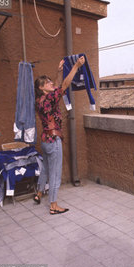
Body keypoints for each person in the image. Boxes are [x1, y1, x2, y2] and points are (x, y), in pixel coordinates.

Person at [33, 56, 85, 215]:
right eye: (47, 82)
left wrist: (58, 72)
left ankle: (39, 193)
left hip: (45, 140)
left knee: (46, 169)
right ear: (43, 88)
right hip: (53, 140)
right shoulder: (49, 97)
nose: (51, 83)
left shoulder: (40, 100)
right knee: (55, 174)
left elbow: (55, 87)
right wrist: (76, 66)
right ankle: (53, 206)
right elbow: (63, 86)